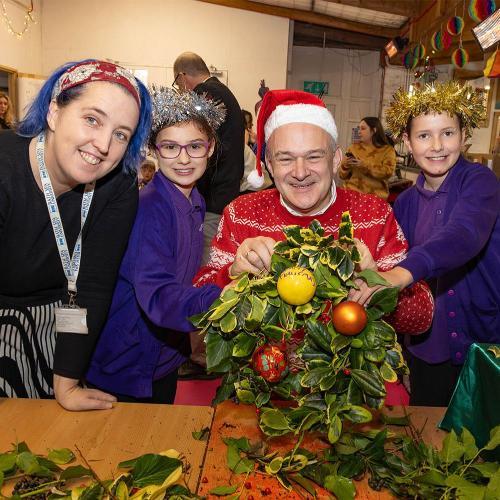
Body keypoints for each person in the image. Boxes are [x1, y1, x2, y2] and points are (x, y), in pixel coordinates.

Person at [194, 90, 434, 341]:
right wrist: (232, 273)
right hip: (259, 374)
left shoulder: (374, 214)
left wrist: (380, 282)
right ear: (268, 164)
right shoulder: (242, 213)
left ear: (335, 159)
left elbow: (421, 319)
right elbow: (198, 302)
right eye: (285, 158)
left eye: (314, 156)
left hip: (348, 376)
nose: (300, 172)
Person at [0, 59, 152, 411]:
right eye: (92, 119)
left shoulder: (118, 184)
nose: (103, 144)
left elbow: (93, 284)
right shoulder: (5, 169)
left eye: (121, 134)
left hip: (55, 329)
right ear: (54, 112)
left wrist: (66, 384)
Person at [86, 88, 223, 404]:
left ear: (210, 147)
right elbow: (159, 296)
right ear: (154, 150)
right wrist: (229, 297)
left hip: (163, 355)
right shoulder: (151, 208)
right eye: (171, 147)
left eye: (194, 146)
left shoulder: (195, 201)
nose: (184, 158)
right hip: (129, 361)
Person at [377, 81, 499, 406]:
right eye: (423, 135)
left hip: (483, 342)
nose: (436, 146)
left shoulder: (480, 182)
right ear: (407, 141)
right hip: (427, 347)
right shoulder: (403, 204)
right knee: (427, 439)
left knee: (481, 445)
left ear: (463, 135)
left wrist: (404, 272)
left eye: (447, 133)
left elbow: (463, 235)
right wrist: (400, 350)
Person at [173, 51, 245, 376]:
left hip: (213, 201)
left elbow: (202, 150)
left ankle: (203, 357)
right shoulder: (224, 93)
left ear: (182, 77)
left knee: (204, 276)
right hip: (224, 198)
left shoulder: (207, 96)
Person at [339, 117, 396, 200]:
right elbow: (342, 176)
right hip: (351, 197)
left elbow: (387, 173)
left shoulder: (387, 150)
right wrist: (345, 166)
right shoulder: (353, 148)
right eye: (359, 128)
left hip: (374, 200)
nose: (359, 131)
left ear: (374, 130)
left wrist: (365, 166)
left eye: (363, 129)